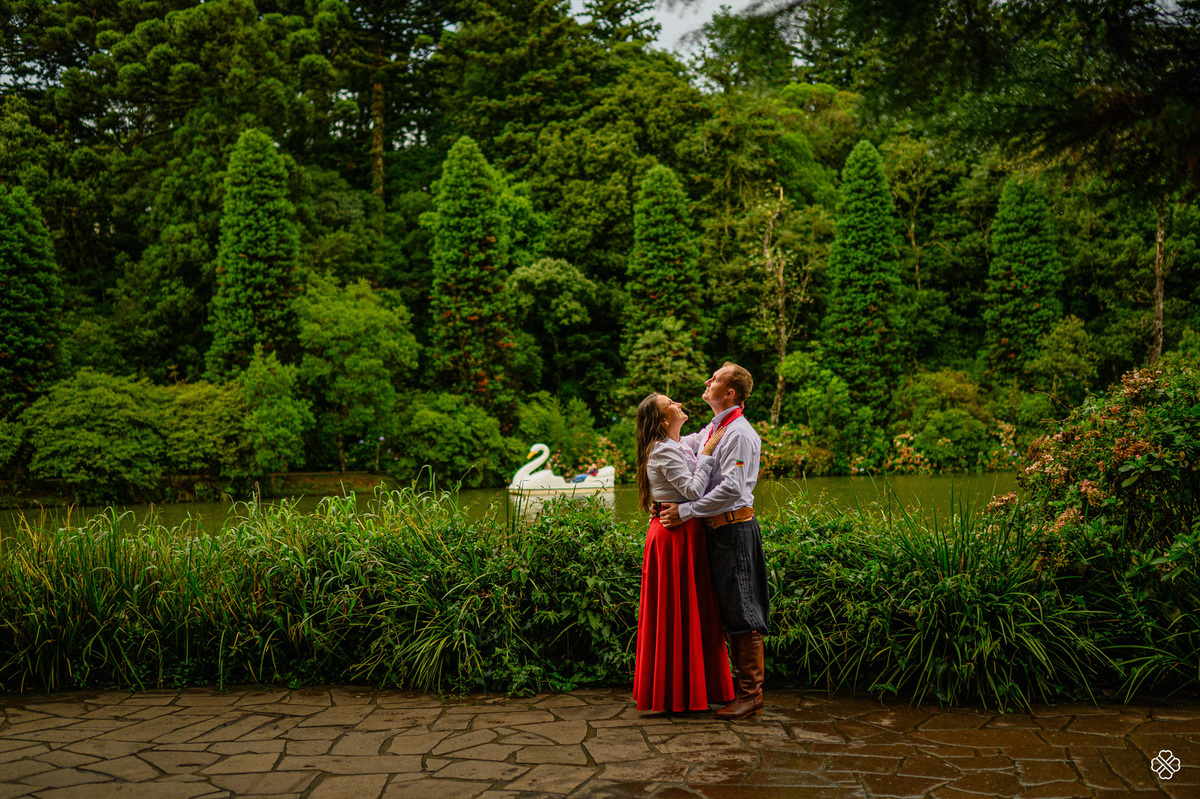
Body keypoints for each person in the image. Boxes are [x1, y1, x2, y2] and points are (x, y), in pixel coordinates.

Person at [658, 363, 768, 720]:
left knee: (743, 609)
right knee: (727, 608)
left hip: (734, 528)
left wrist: (686, 511)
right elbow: (683, 448)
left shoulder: (738, 432)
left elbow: (733, 489)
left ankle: (751, 695)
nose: (708, 381)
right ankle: (736, 691)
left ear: (730, 392)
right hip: (717, 530)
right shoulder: (714, 427)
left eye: (716, 379)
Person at [631, 392, 735, 713]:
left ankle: (695, 690)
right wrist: (705, 455)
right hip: (673, 536)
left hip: (685, 533)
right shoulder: (662, 452)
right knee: (677, 612)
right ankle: (676, 693)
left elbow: (705, 434)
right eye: (671, 404)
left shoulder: (677, 443)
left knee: (695, 609)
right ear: (664, 421)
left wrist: (722, 412)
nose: (678, 404)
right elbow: (692, 490)